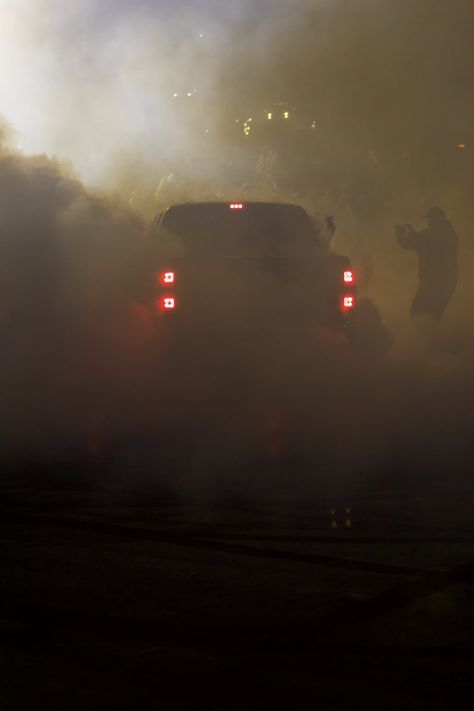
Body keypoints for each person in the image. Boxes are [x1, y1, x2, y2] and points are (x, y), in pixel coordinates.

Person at [395, 207, 458, 319]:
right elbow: (425, 241)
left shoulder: (429, 235)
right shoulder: (450, 234)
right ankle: (433, 334)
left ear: (435, 220)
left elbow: (409, 243)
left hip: (432, 280)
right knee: (434, 313)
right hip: (449, 281)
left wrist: (399, 234)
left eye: (430, 219)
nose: (429, 222)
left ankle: (424, 334)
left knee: (418, 312)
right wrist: (415, 234)